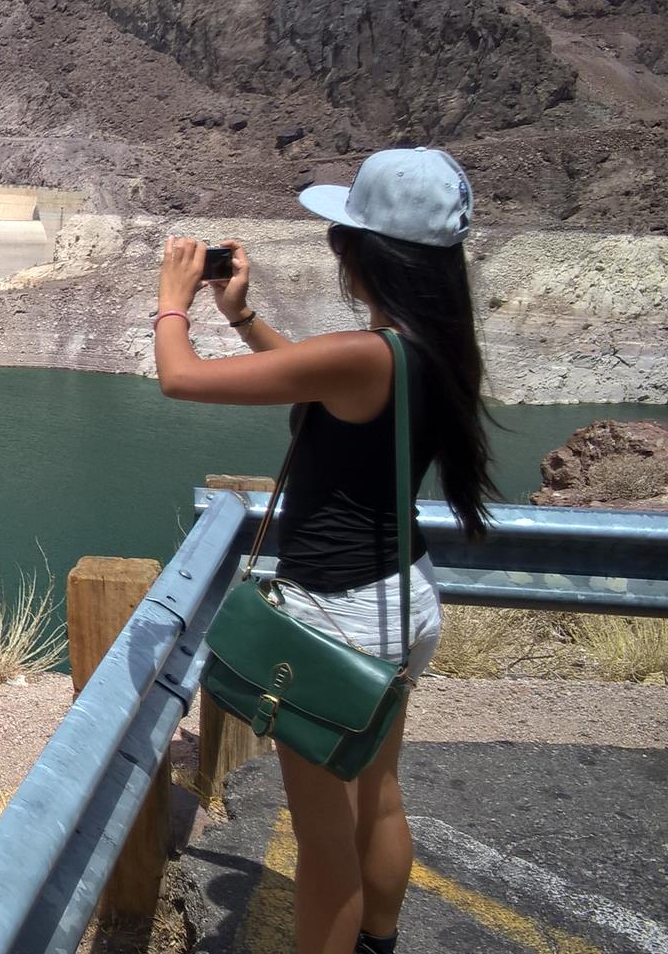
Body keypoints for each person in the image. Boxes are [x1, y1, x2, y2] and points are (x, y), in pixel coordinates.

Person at [152, 148, 498, 954]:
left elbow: (181, 379)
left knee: (323, 839)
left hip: (337, 617)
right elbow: (316, 382)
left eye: (343, 236)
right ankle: (378, 942)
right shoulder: (426, 348)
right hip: (401, 600)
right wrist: (241, 315)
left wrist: (173, 301)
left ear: (367, 254)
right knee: (378, 798)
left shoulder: (367, 355)